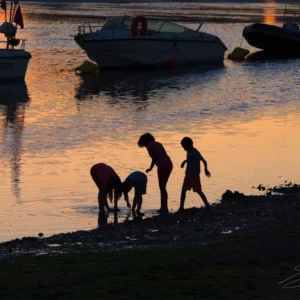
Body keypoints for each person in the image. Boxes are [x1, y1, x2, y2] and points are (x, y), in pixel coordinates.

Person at [138, 133, 173, 214]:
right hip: (169, 163)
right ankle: (164, 207)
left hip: (162, 165)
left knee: (162, 187)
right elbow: (158, 156)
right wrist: (151, 167)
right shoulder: (158, 143)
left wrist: (150, 168)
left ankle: (164, 208)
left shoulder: (149, 146)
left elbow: (154, 158)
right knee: (163, 187)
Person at [178, 137, 211, 212]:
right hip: (188, 174)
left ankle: (207, 205)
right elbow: (190, 159)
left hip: (194, 175)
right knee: (183, 190)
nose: (184, 149)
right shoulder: (189, 151)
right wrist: (184, 161)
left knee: (199, 191)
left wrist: (205, 169)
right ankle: (181, 207)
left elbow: (204, 161)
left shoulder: (196, 152)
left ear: (189, 145)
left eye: (184, 147)